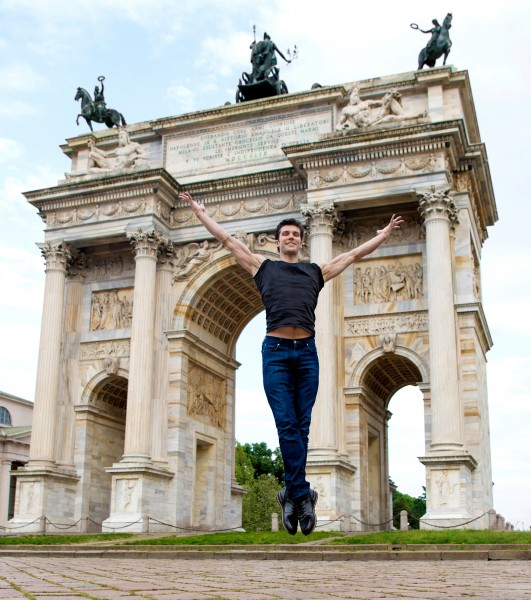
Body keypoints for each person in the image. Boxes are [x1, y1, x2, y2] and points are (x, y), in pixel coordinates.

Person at [178, 191, 403, 535]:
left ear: (301, 242)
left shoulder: (316, 271)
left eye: (296, 234)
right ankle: (302, 494)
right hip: (277, 353)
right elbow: (225, 239)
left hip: (307, 353)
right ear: (277, 241)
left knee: (301, 426)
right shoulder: (261, 267)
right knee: (287, 424)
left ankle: (293, 494)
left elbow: (353, 254)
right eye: (286, 234)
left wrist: (382, 236)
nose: (291, 238)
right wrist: (200, 213)